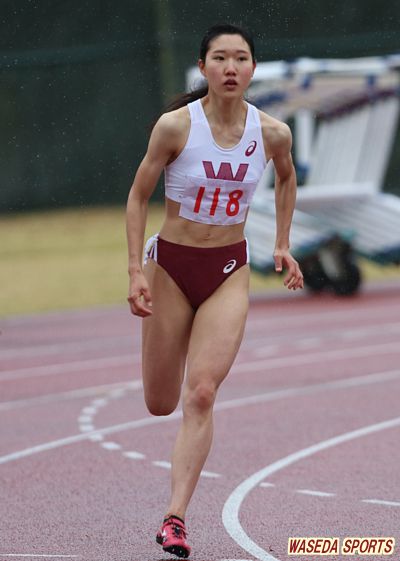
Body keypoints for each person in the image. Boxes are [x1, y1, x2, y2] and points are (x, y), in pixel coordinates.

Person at [126, 23, 304, 558]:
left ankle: (175, 518)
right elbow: (137, 197)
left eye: (241, 58)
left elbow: (287, 178)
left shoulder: (272, 133)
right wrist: (135, 271)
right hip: (171, 268)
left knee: (201, 392)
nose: (231, 68)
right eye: (220, 58)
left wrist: (281, 243)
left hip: (228, 269)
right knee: (159, 402)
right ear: (203, 67)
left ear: (253, 69)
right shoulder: (175, 127)